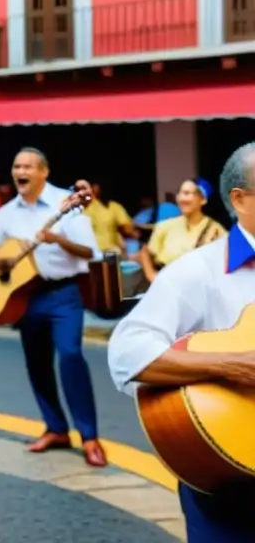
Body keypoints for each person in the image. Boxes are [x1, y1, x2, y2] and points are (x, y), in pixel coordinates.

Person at [108, 142, 255, 541]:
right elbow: (127, 354)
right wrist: (231, 363)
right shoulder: (197, 271)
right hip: (235, 467)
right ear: (240, 200)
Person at [0, 148, 107, 467]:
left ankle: (89, 437)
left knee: (71, 355)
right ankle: (56, 428)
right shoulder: (6, 213)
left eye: (27, 167)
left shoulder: (68, 204)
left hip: (63, 293)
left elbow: (90, 252)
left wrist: (56, 239)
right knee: (37, 364)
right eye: (16, 166)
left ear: (43, 172)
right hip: (25, 297)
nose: (20, 171)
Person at [140, 178, 226, 283]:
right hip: (166, 287)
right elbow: (146, 252)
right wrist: (151, 275)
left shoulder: (215, 230)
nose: (181, 198)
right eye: (179, 193)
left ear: (203, 199)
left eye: (187, 193)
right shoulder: (164, 226)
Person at [82, 182, 133, 255]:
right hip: (102, 251)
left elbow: (127, 229)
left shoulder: (83, 207)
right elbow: (127, 230)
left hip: (93, 251)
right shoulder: (114, 206)